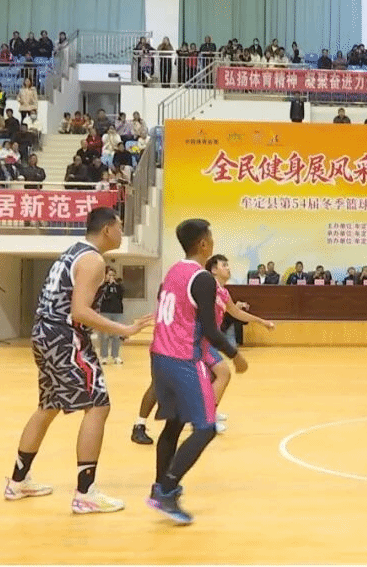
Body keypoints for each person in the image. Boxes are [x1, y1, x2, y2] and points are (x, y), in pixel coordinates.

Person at [3, 207, 151, 514]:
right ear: (107, 229)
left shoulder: (72, 252)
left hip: (44, 333)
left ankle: (18, 481)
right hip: (64, 337)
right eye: (120, 226)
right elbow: (80, 311)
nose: (121, 232)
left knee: (48, 406)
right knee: (98, 405)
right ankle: (85, 493)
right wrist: (124, 329)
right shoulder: (93, 259)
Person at [146, 220, 239, 524]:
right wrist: (236, 355)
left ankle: (159, 487)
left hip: (159, 356)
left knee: (173, 425)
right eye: (210, 237)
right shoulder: (203, 279)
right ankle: (167, 489)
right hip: (183, 359)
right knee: (205, 427)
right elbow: (211, 330)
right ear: (203, 244)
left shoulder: (173, 271)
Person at [133, 253, 274, 444]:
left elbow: (236, 312)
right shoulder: (203, 284)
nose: (228, 268)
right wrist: (235, 355)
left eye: (228, 265)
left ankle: (206, 413)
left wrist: (261, 321)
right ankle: (141, 424)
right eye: (224, 265)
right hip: (189, 342)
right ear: (213, 269)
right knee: (160, 386)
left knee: (218, 375)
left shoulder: (223, 293)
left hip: (205, 342)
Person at [96, 267, 124, 365]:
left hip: (117, 312)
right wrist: (109, 286)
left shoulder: (118, 286)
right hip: (105, 312)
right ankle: (104, 356)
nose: (111, 277)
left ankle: (115, 356)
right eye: (109, 275)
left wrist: (115, 286)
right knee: (105, 335)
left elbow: (121, 296)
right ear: (105, 275)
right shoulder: (102, 286)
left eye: (113, 275)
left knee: (116, 335)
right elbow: (104, 296)